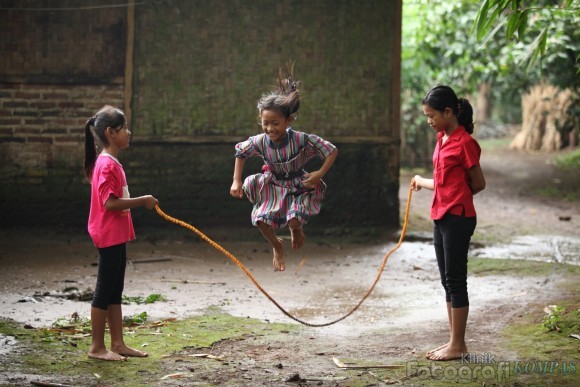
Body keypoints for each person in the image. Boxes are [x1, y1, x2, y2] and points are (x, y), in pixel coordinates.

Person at [230, 64, 338, 272]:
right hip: (273, 184)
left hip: (299, 184)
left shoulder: (301, 139)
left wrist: (319, 173)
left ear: (289, 120)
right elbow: (240, 152)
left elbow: (331, 150)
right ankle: (277, 246)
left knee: (295, 219)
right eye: (265, 123)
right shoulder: (260, 141)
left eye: (276, 123)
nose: (270, 128)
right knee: (261, 221)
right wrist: (236, 180)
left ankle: (295, 229)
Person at [411, 85, 486, 361]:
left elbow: (478, 183)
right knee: (446, 281)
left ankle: (459, 344)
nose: (429, 122)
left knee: (456, 280)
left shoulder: (465, 142)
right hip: (440, 215)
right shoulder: (441, 138)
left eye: (432, 116)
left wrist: (457, 198)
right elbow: (444, 182)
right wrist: (421, 181)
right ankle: (454, 341)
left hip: (458, 217)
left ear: (448, 112)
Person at [83, 105, 158, 361]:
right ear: (110, 133)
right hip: (108, 233)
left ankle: (117, 343)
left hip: (116, 233)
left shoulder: (111, 162)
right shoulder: (106, 165)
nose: (128, 132)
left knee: (115, 289)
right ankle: (96, 347)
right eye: (124, 128)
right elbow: (110, 203)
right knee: (104, 290)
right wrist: (143, 200)